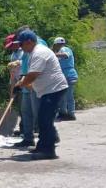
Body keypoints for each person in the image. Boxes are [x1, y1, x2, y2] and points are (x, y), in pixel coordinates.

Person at [14, 30, 67, 160]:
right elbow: (30, 74)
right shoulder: (33, 53)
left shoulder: (39, 53)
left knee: (45, 120)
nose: (20, 47)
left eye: (21, 45)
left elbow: (32, 75)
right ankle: (42, 146)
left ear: (29, 42)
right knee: (43, 119)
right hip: (48, 90)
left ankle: (49, 151)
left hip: (54, 89)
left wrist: (20, 85)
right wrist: (21, 82)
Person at [8, 27, 49, 148]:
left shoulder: (38, 44)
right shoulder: (26, 46)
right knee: (26, 111)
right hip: (25, 79)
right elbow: (25, 61)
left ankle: (46, 139)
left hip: (34, 81)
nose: (20, 45)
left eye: (20, 40)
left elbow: (38, 66)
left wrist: (24, 81)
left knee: (38, 112)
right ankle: (28, 138)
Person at [52, 37, 78, 121]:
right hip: (62, 75)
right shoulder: (58, 51)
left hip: (69, 75)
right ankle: (63, 113)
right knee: (62, 96)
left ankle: (71, 114)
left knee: (68, 95)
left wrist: (52, 54)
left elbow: (66, 55)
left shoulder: (65, 49)